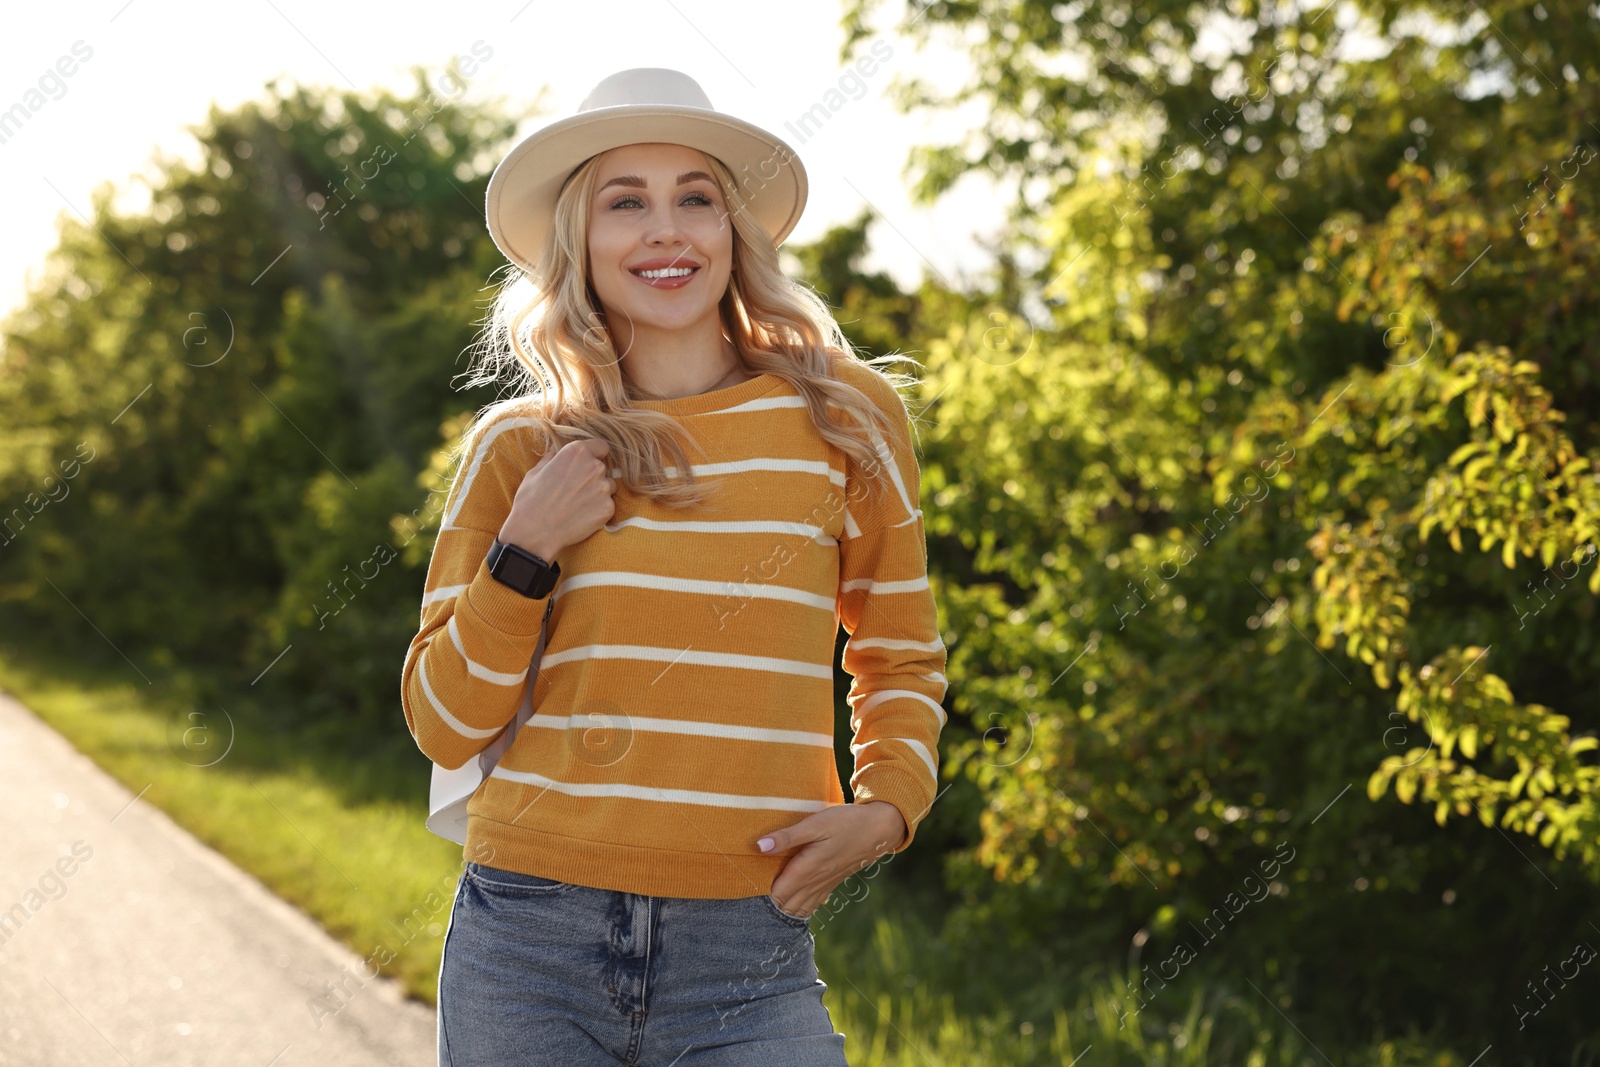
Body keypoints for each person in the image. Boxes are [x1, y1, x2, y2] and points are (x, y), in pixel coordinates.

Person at [399, 67, 948, 1066]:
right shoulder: (520, 448)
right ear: (580, 241)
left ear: (734, 231)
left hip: (749, 952)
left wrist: (888, 806)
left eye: (695, 197)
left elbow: (899, 655)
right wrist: (525, 550)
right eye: (625, 202)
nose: (665, 230)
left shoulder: (844, 418)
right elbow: (443, 719)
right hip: (527, 939)